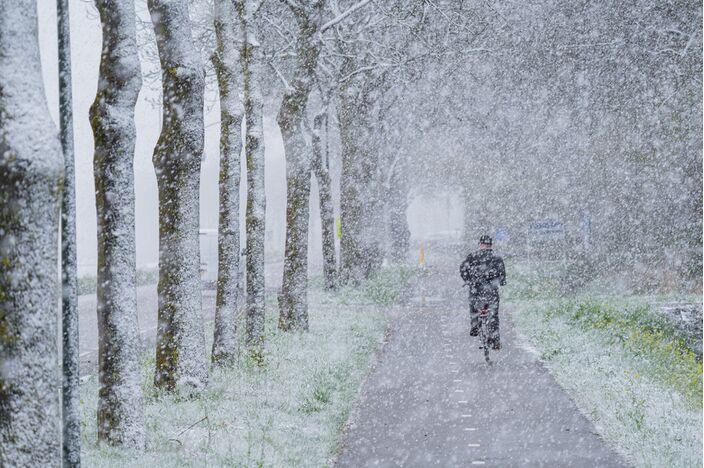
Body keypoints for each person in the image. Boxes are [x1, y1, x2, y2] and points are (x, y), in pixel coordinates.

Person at [459, 235, 506, 350]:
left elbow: (463, 268)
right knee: (493, 314)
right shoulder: (497, 258)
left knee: (473, 307)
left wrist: (468, 280)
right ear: (491, 245)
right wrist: (501, 281)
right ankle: (495, 340)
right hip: (491, 291)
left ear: (480, 244)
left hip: (476, 290)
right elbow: (502, 273)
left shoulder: (472, 257)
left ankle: (475, 326)